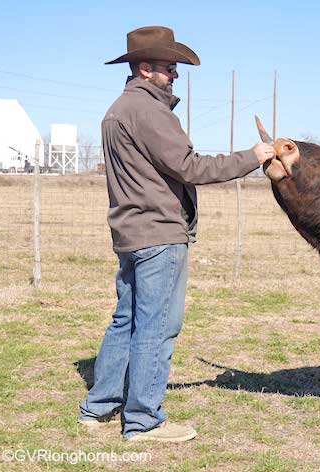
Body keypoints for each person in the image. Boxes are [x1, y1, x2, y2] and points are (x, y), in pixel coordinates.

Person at [78, 26, 276, 442]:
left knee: (125, 320)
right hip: (158, 234)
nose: (175, 75)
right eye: (170, 68)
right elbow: (190, 167)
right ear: (145, 68)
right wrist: (252, 157)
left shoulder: (116, 110)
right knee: (155, 327)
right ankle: (143, 421)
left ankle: (98, 407)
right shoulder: (150, 111)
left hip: (130, 233)